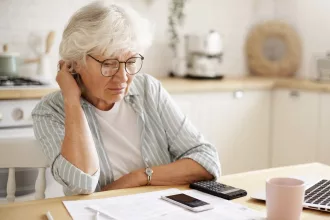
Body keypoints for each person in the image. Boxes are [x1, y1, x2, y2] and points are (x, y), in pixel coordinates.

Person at [32, 1, 221, 196]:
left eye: (130, 62)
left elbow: (207, 161)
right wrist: (72, 100)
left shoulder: (148, 90)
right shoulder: (50, 111)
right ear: (76, 62)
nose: (123, 77)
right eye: (109, 63)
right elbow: (82, 183)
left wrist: (138, 177)